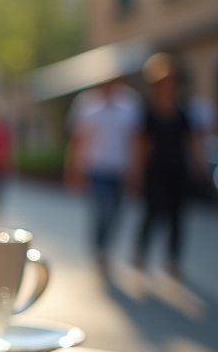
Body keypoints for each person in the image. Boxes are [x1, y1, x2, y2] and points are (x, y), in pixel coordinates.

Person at [129, 53, 209, 278]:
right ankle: (141, 253)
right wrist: (136, 171)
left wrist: (198, 165)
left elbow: (192, 142)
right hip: (155, 170)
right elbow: (142, 144)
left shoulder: (182, 111)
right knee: (152, 213)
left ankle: (173, 260)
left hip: (177, 170)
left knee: (177, 216)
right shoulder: (149, 111)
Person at [64, 76, 142, 270]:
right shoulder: (86, 103)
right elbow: (77, 139)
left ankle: (105, 246)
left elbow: (135, 140)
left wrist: (135, 170)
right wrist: (73, 168)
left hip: (119, 169)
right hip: (96, 167)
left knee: (116, 213)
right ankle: (99, 248)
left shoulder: (130, 103)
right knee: (102, 209)